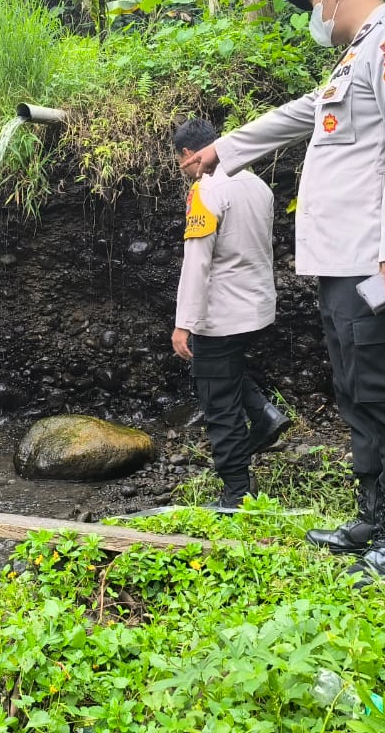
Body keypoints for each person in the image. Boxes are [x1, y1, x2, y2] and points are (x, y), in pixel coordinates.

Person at [180, 0, 385, 580]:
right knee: (357, 391)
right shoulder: (353, 60)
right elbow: (299, 114)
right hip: (340, 267)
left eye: (313, 0)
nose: (314, 14)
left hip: (377, 263)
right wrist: (223, 150)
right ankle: (373, 515)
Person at [171, 117, 290, 511]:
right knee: (224, 371)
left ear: (189, 154)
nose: (184, 170)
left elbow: (197, 262)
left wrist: (184, 323)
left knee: (219, 404)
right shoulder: (257, 184)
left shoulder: (205, 190)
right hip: (257, 307)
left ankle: (236, 494)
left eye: (181, 163)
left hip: (220, 315)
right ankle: (265, 414)